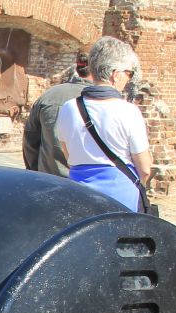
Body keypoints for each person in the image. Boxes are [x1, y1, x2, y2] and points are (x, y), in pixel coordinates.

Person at [53, 37, 151, 211]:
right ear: (116, 74)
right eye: (129, 73)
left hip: (79, 191)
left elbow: (68, 155)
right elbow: (144, 168)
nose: (128, 79)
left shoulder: (69, 108)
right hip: (120, 194)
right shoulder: (129, 111)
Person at [23, 52, 91, 176]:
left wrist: (35, 173)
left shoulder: (49, 95)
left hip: (48, 180)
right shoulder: (104, 102)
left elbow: (30, 141)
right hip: (85, 185)